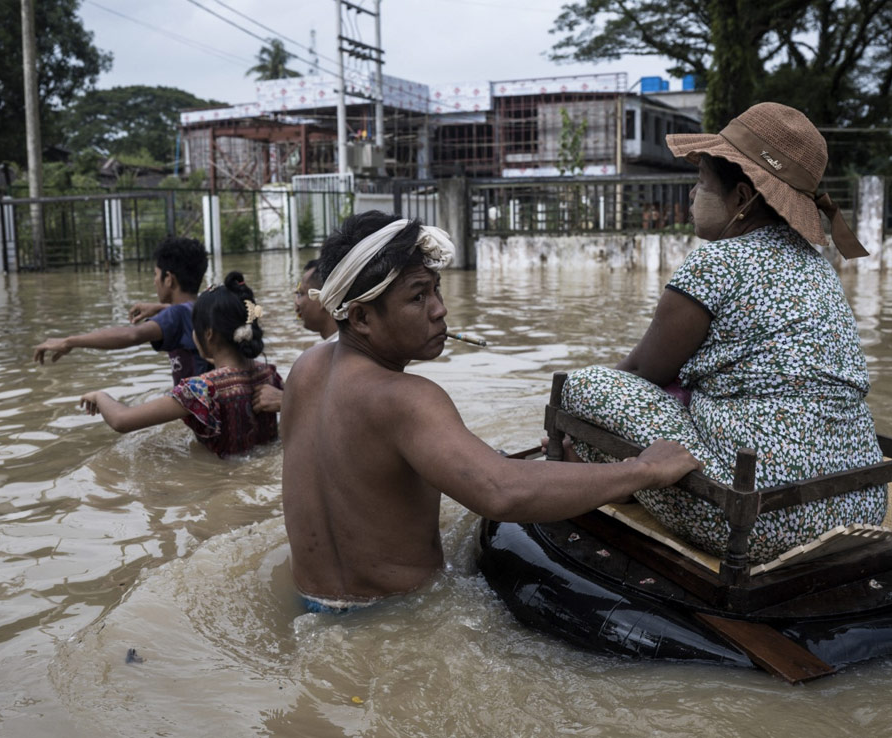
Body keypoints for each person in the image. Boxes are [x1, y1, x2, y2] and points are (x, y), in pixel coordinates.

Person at [281, 211, 700, 613]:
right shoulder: (406, 398)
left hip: (310, 604)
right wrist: (644, 470)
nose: (439, 309)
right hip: (403, 617)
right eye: (418, 296)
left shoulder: (304, 370)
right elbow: (502, 492)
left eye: (436, 289)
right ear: (361, 317)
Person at [558, 102, 884, 563]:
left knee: (586, 386)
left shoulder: (716, 262)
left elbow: (640, 371)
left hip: (758, 521)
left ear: (743, 199)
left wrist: (578, 419)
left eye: (701, 184)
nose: (692, 196)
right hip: (859, 504)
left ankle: (608, 475)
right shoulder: (818, 264)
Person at [79, 271, 284, 458]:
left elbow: (121, 420)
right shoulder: (269, 375)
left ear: (209, 334)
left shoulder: (201, 389)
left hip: (219, 481)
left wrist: (100, 396)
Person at [34, 237, 213, 386]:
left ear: (168, 279)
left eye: (155, 274)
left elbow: (131, 335)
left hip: (201, 415)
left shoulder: (176, 316)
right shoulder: (205, 306)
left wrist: (69, 341)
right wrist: (160, 308)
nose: (154, 281)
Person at [250, 259, 338, 414]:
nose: (296, 303)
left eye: (301, 293)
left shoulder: (340, 353)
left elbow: (346, 413)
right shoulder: (332, 349)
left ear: (324, 298)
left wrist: (285, 400)